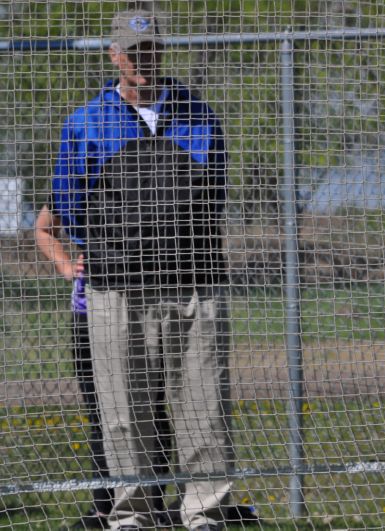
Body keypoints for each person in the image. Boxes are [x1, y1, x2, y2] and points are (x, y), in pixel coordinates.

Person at [47, 9, 233, 530]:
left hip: (192, 280)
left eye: (151, 48)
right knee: (122, 405)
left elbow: (213, 195)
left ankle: (204, 511)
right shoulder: (86, 122)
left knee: (202, 401)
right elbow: (69, 201)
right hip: (115, 286)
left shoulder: (199, 114)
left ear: (162, 51)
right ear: (114, 55)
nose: (142, 59)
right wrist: (95, 252)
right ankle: (132, 513)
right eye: (132, 50)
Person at [35, 205, 175, 530]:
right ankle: (104, 508)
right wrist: (68, 267)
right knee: (101, 411)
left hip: (148, 308)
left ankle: (150, 507)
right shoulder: (81, 170)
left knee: (150, 408)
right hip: (90, 315)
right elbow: (44, 229)